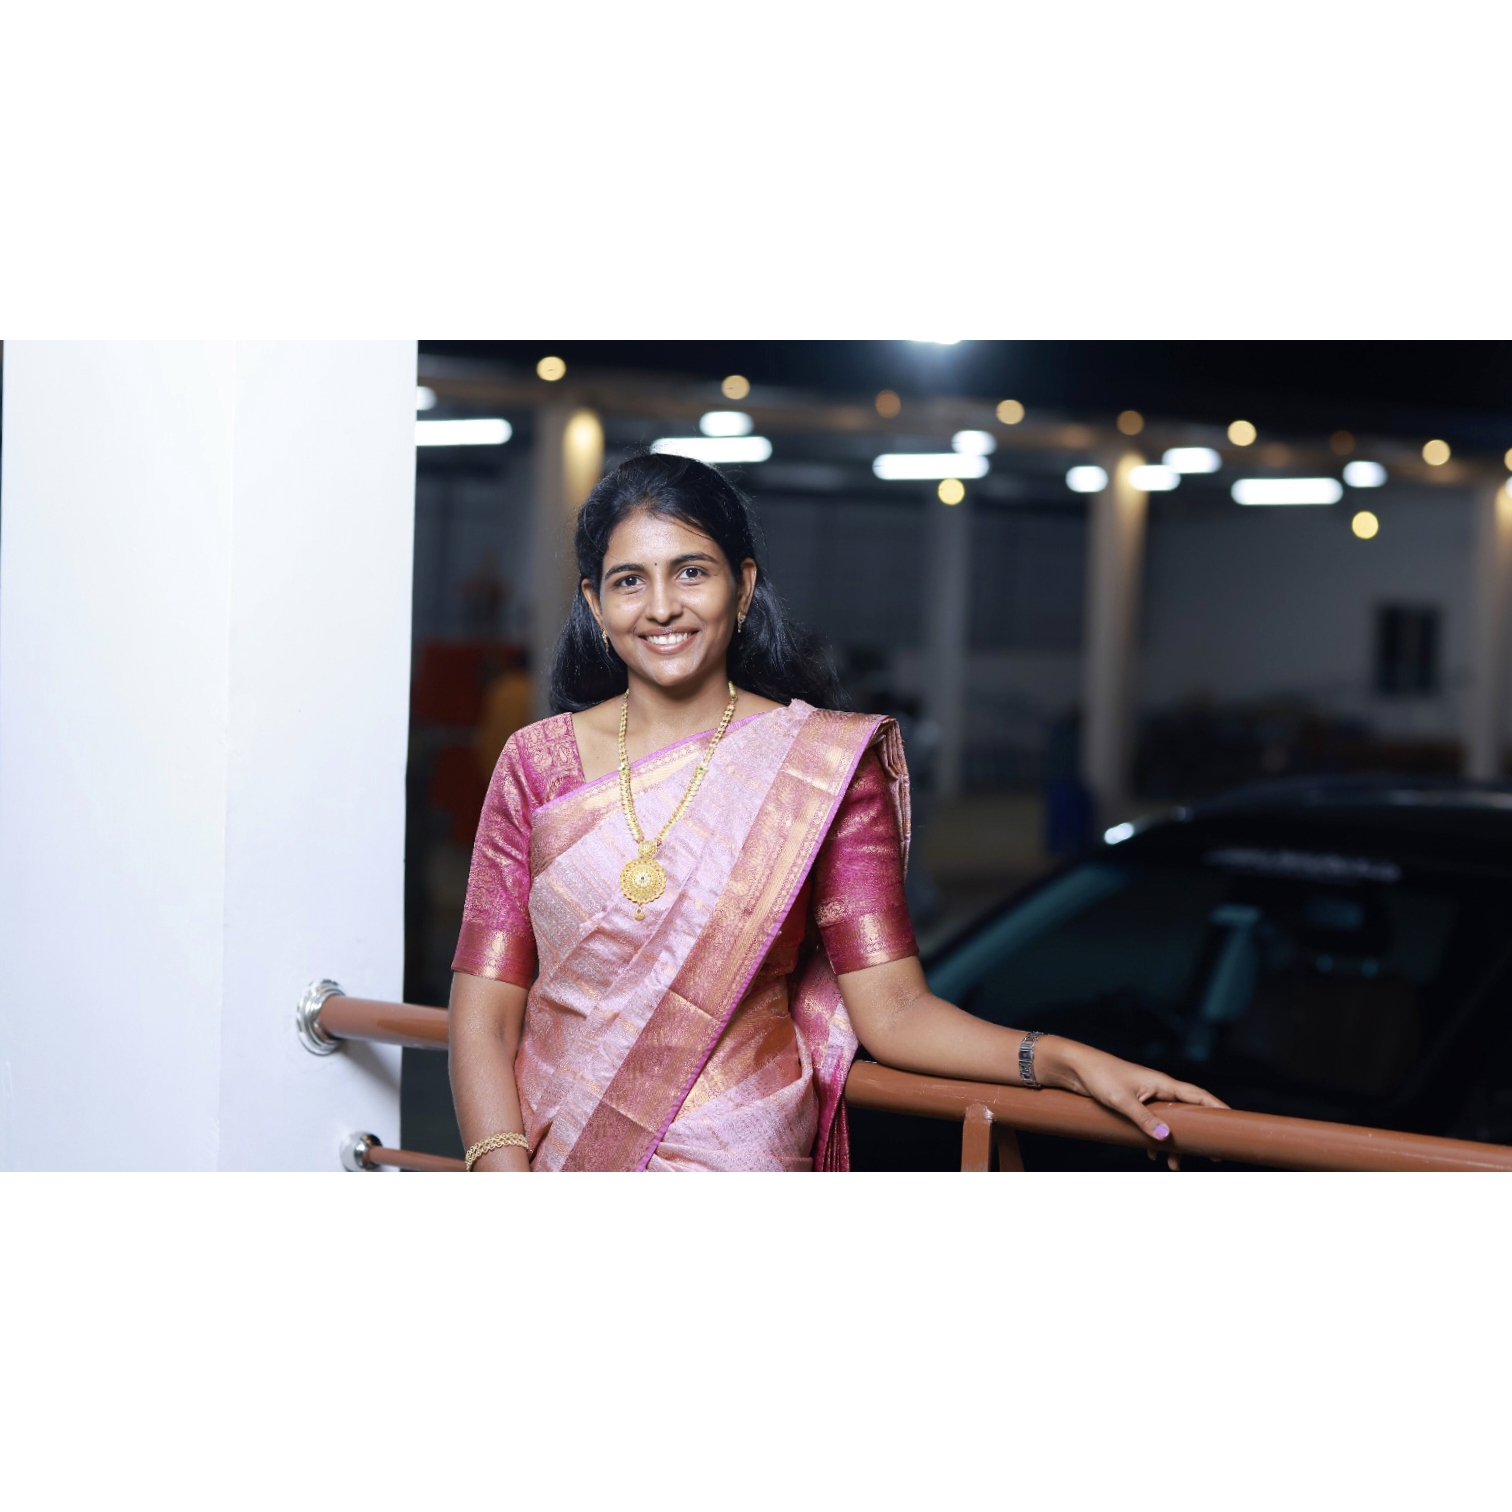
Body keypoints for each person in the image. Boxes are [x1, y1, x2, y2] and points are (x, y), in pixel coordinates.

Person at [448, 452, 1225, 1171]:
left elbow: (895, 1010)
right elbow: (484, 1015)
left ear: (742, 586)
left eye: (691, 572)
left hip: (741, 1160)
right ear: (595, 601)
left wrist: (1058, 1060)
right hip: (558, 1158)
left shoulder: (822, 769)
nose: (661, 607)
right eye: (628, 581)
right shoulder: (535, 766)